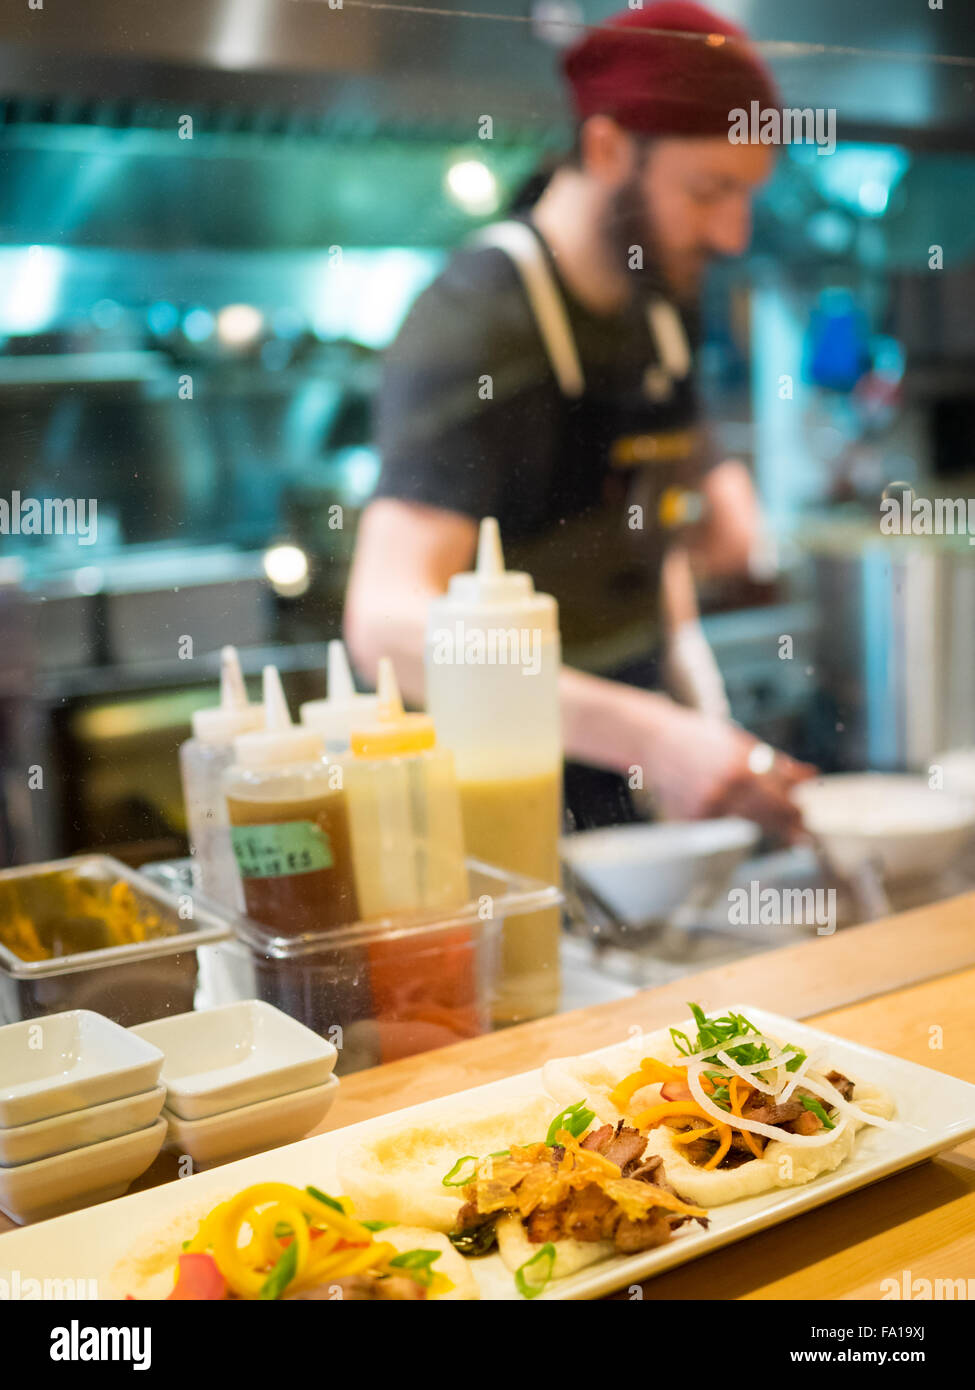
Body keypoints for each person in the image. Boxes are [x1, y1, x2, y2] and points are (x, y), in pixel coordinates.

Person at [345, 1, 813, 836]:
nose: (733, 235)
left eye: (745, 197)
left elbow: (643, 506)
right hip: (493, 784)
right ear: (605, 147)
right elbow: (382, 625)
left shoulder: (657, 297)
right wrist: (657, 738)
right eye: (709, 192)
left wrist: (696, 707)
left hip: (622, 757)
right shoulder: (477, 321)